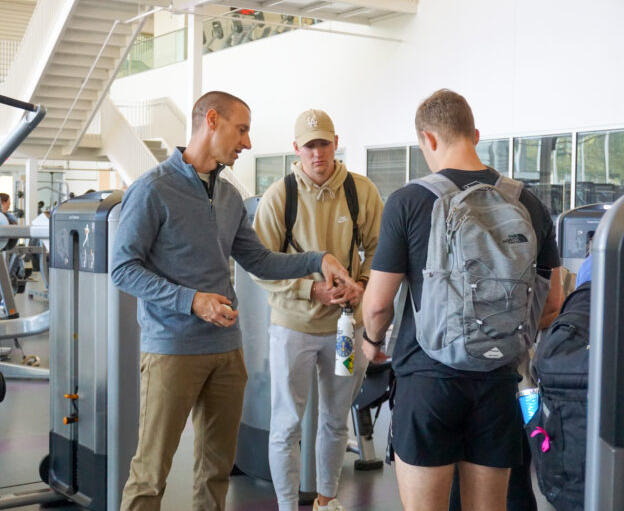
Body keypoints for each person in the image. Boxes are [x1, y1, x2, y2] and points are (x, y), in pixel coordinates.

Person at [110, 91, 355, 511]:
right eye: (241, 130)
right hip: (172, 349)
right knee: (151, 473)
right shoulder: (152, 190)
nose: (247, 143)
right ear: (211, 120)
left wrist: (319, 259)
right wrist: (192, 302)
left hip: (227, 351)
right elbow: (122, 268)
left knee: (217, 469)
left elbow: (258, 259)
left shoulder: (226, 197)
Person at [361, 89, 562, 511]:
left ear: (428, 140)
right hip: (499, 383)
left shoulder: (408, 201)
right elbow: (552, 302)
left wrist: (369, 342)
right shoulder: (529, 203)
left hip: (427, 383)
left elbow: (378, 304)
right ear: (475, 133)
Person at [252, 109, 383, 511]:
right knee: (287, 424)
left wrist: (361, 288)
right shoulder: (279, 196)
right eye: (309, 145)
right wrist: (312, 290)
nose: (317, 152)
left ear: (335, 142)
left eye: (324, 143)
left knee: (334, 420)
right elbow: (259, 264)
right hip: (293, 329)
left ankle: (327, 500)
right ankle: (288, 506)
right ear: (296, 148)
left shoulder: (361, 192)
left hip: (345, 331)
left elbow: (380, 252)